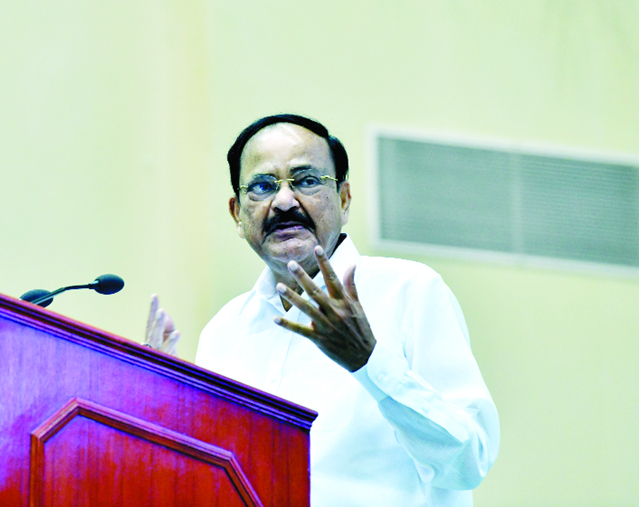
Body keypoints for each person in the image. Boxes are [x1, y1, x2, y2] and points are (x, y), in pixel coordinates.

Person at [146, 114, 500, 506]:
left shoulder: (410, 291)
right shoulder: (223, 332)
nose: (283, 201)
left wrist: (369, 361)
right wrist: (162, 411)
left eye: (306, 181)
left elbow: (470, 460)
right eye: (262, 186)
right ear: (237, 214)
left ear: (344, 199)